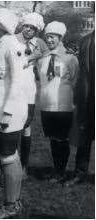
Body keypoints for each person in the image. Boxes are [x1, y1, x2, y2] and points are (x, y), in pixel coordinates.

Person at [0, 8, 27, 218]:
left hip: (8, 111)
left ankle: (10, 206)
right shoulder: (5, 42)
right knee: (11, 155)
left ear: (0, 25)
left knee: (7, 155)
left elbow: (17, 81)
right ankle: (15, 200)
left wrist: (8, 112)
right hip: (1, 108)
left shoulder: (10, 44)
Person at [37, 21, 79, 183]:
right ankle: (56, 169)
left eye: (52, 37)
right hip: (46, 105)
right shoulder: (42, 59)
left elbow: (75, 82)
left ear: (60, 38)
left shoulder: (70, 58)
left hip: (64, 106)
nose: (49, 40)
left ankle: (61, 171)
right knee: (53, 139)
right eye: (47, 37)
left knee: (62, 139)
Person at [16, 12, 48, 179]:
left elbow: (49, 59)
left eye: (32, 28)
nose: (28, 30)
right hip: (13, 89)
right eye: (26, 26)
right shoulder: (14, 40)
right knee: (12, 125)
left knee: (26, 126)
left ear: (37, 30)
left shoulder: (41, 43)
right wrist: (31, 57)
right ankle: (11, 165)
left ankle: (24, 166)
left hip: (29, 89)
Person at [65, 30, 94, 186]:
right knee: (84, 136)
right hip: (86, 97)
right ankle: (80, 173)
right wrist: (79, 95)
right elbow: (83, 72)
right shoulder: (85, 40)